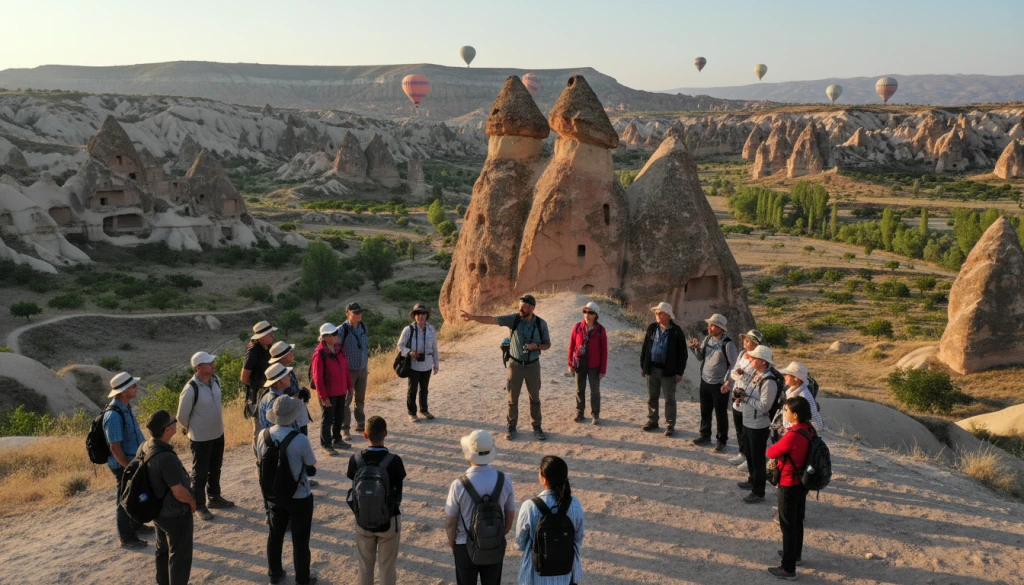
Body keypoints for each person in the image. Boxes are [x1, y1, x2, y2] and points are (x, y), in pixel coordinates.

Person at [461, 295, 552, 441]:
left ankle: (537, 427)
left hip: (533, 366)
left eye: (523, 307)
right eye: (519, 306)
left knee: (534, 398)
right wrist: (472, 317)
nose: (520, 309)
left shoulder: (541, 324)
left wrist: (537, 347)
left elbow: (547, 344)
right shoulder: (514, 319)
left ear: (532, 308)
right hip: (515, 366)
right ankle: (511, 427)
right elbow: (492, 319)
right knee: (512, 399)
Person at [255, 396, 318, 585]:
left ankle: (275, 574)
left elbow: (260, 460)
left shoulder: (263, 435)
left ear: (274, 415)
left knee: (275, 535)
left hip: (273, 495)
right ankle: (302, 578)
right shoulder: (300, 439)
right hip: (298, 495)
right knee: (300, 540)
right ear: (293, 416)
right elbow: (312, 466)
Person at [445, 430, 516, 585]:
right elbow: (510, 517)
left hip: (465, 545)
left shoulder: (458, 485)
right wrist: (496, 535)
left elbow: (451, 523)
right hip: (493, 545)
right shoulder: (505, 480)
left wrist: (455, 546)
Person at [346, 416, 406, 585]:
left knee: (365, 565)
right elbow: (398, 491)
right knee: (387, 566)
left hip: (363, 520)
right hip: (389, 519)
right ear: (385, 434)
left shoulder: (356, 460)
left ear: (365, 435)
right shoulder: (394, 460)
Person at [140, 410, 197, 585]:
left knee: (162, 550)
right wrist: (192, 503)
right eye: (173, 421)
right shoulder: (166, 457)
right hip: (175, 514)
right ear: (167, 430)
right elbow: (178, 491)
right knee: (180, 557)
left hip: (158, 511)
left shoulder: (146, 446)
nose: (176, 422)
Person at [176, 351, 234, 522]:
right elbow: (181, 416)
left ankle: (215, 497)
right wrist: (192, 428)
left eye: (213, 362)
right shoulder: (190, 389)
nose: (213, 364)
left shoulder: (216, 380)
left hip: (217, 433)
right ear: (198, 367)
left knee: (216, 467)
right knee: (200, 473)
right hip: (200, 437)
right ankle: (200, 504)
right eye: (209, 363)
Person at [514, 456, 585, 585]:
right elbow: (578, 539)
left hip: (535, 576)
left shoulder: (529, 506)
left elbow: (520, 543)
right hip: (567, 575)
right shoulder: (575, 504)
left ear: (544, 479)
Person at [765, 396, 815, 580]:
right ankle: (796, 555)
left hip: (788, 483)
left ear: (795, 415)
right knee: (797, 521)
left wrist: (783, 437)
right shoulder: (809, 429)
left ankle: (788, 568)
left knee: (787, 525)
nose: (784, 413)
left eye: (786, 411)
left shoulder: (793, 435)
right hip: (802, 482)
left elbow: (771, 452)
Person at [103, 371, 151, 549]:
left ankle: (136, 526)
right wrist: (128, 467)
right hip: (124, 465)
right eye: (132, 386)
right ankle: (127, 538)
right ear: (123, 392)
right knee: (124, 501)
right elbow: (115, 448)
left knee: (135, 496)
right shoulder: (114, 415)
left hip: (132, 462)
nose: (136, 387)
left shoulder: (125, 408)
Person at [734, 345, 779, 504]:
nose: (750, 359)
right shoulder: (756, 374)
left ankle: (759, 492)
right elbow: (750, 393)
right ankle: (752, 480)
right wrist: (741, 394)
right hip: (748, 421)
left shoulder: (769, 381)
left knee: (758, 459)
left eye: (754, 358)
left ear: (763, 361)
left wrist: (745, 398)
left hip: (758, 425)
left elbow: (765, 406)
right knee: (750, 455)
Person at [690, 313, 739, 452]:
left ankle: (721, 440)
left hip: (719, 385)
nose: (709, 327)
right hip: (705, 381)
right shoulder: (708, 339)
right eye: (709, 325)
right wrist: (696, 348)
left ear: (720, 328)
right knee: (705, 411)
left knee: (720, 413)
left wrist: (728, 383)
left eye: (712, 325)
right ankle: (705, 435)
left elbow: (734, 366)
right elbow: (700, 358)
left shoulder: (728, 344)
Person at [639, 302, 688, 437]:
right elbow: (645, 348)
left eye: (660, 313)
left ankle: (670, 424)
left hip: (668, 371)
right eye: (656, 313)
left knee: (669, 399)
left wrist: (679, 372)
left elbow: (682, 354)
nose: (657, 315)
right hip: (652, 367)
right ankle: (652, 420)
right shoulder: (652, 328)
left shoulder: (676, 331)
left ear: (668, 315)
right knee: (652, 397)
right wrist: (643, 366)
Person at [725, 330, 766, 472]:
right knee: (739, 428)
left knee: (749, 430)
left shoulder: (761, 360)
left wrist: (744, 373)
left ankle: (750, 458)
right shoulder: (742, 354)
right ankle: (742, 453)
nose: (745, 342)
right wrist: (735, 376)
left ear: (756, 344)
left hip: (750, 398)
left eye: (748, 340)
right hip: (738, 394)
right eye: (745, 340)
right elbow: (734, 371)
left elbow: (759, 378)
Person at [311, 323, 353, 455]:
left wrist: (350, 386)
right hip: (328, 393)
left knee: (339, 416)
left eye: (336, 333)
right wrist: (324, 397)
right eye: (334, 334)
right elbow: (318, 379)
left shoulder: (339, 349)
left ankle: (337, 439)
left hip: (341, 390)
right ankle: (326, 444)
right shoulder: (319, 354)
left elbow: (345, 369)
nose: (337, 336)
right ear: (325, 337)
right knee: (327, 419)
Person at [397, 303, 439, 423]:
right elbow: (400, 345)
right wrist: (410, 352)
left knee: (424, 389)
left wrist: (436, 364)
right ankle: (412, 413)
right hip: (414, 365)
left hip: (427, 365)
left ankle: (424, 411)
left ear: (426, 315)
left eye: (422, 313)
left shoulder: (431, 329)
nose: (420, 316)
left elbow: (435, 347)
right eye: (417, 314)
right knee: (412, 390)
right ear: (414, 316)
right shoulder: (409, 329)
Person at [567, 302, 607, 425]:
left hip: (594, 366)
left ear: (596, 315)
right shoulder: (577, 327)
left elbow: (604, 351)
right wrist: (570, 364)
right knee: (579, 390)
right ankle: (580, 413)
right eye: (585, 311)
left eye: (590, 312)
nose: (587, 315)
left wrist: (602, 370)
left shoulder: (600, 330)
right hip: (579, 364)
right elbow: (571, 346)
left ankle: (595, 414)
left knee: (595, 391)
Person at [243, 320, 278, 441]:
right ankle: (260, 459)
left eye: (272, 333)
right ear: (261, 337)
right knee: (259, 432)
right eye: (270, 334)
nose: (273, 336)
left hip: (270, 393)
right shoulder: (252, 351)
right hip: (257, 396)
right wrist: (258, 386)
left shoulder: (269, 348)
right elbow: (244, 377)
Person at [339, 302, 370, 440]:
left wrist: (366, 367)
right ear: (348, 314)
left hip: (362, 368)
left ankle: (361, 423)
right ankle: (345, 429)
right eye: (355, 313)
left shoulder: (363, 326)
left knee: (360, 398)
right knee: (346, 400)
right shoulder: (342, 330)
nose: (359, 315)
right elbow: (337, 351)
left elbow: (365, 347)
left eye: (360, 312)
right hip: (348, 371)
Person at [268, 341, 313, 435]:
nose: (293, 353)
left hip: (296, 411)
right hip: (289, 415)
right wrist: (297, 393)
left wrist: (300, 391)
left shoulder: (285, 369)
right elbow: (282, 394)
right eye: (290, 352)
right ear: (282, 357)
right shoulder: (278, 374)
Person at [258, 362, 304, 434]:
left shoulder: (265, 398)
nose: (290, 377)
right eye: (287, 375)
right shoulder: (278, 402)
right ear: (280, 381)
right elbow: (283, 431)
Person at [777, 362, 824, 432]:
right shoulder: (793, 391)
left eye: (787, 375)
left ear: (796, 378)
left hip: (801, 433)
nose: (784, 377)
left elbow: (814, 422)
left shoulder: (802, 396)